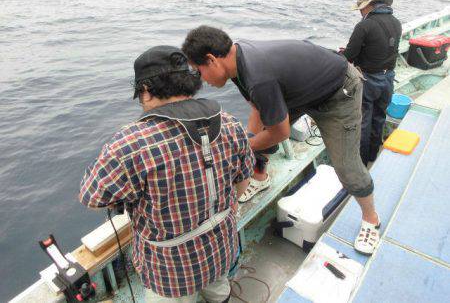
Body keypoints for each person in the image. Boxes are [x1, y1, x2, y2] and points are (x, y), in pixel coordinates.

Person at [182, 27, 381, 255]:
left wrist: (242, 147)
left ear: (211, 60)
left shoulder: (258, 76)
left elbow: (281, 133)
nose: (202, 80)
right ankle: (260, 177)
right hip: (303, 90)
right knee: (261, 132)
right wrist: (248, 144)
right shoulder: (236, 60)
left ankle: (370, 219)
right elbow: (258, 107)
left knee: (346, 166)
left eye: (199, 72)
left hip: (338, 92)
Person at [79, 45, 254, 302]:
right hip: (221, 247)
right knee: (219, 290)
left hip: (171, 272)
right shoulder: (228, 122)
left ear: (146, 91)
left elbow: (92, 197)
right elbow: (243, 179)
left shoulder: (128, 144)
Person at [343, 0, 402, 166]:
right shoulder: (396, 22)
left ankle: (361, 161)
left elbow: (349, 56)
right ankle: (372, 156)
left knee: (364, 121)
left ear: (369, 5)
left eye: (361, 8)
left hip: (368, 80)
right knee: (379, 117)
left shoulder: (364, 25)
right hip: (388, 78)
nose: (360, 12)